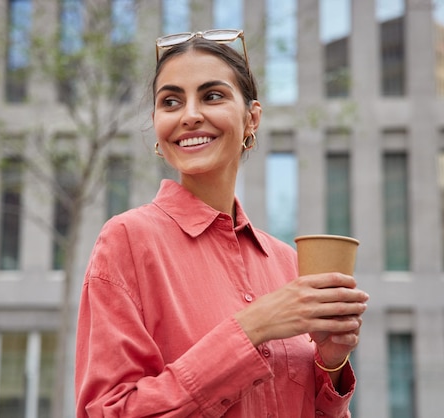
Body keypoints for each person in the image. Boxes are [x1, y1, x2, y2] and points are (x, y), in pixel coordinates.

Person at [75, 29, 369, 417]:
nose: (190, 115)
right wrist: (252, 328)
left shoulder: (286, 264)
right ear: (157, 125)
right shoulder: (128, 241)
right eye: (171, 101)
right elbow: (107, 411)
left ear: (252, 118)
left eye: (212, 96)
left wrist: (329, 364)